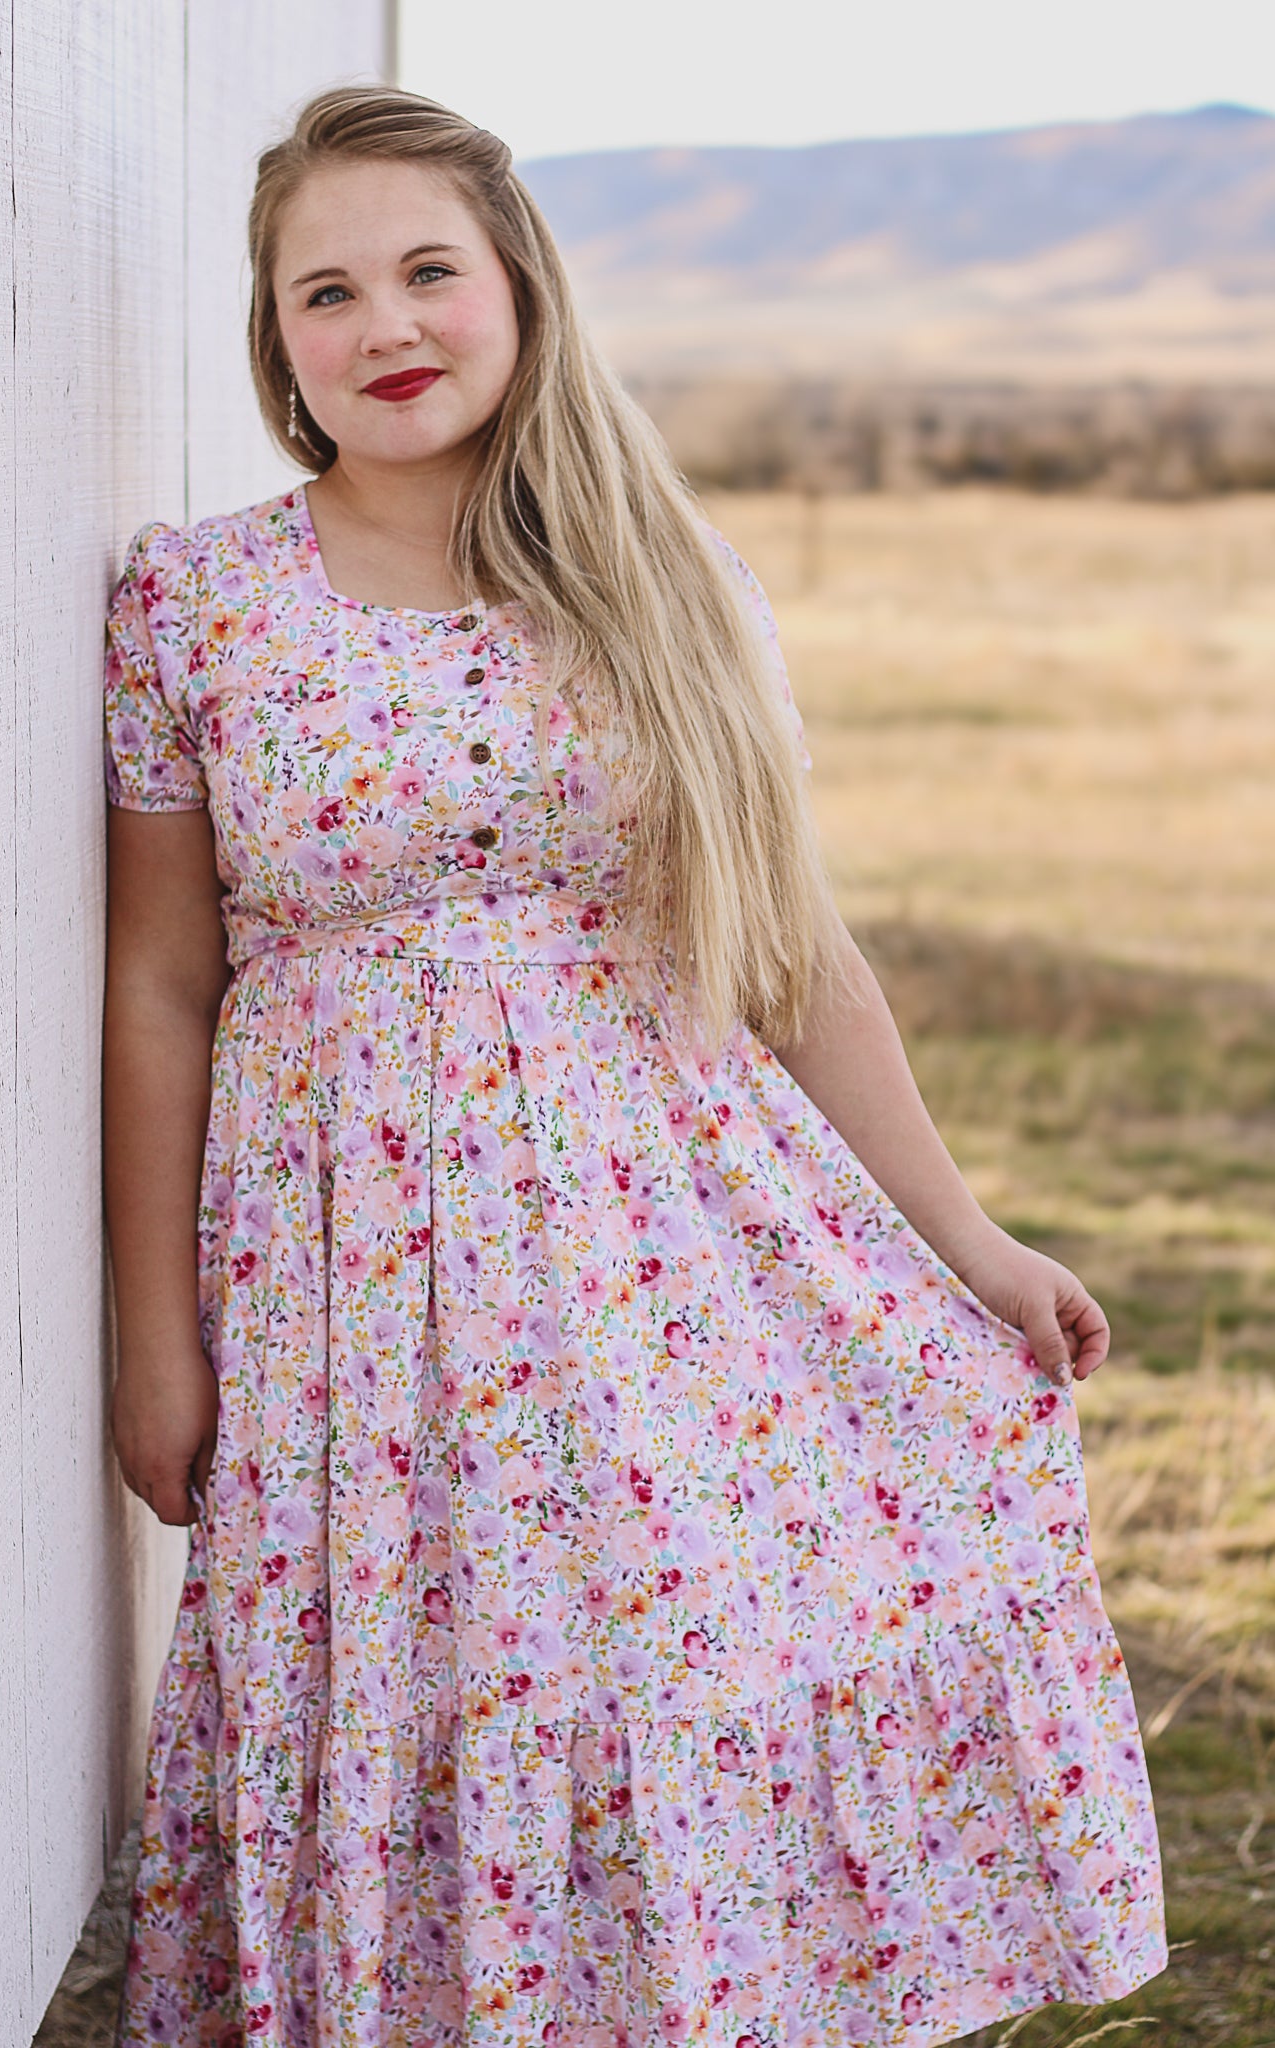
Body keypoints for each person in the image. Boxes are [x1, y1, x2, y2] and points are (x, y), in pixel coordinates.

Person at [103, 82, 1167, 2048]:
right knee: (434, 1670)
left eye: (428, 269)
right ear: (277, 343)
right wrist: (155, 1338)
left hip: (648, 1246)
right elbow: (163, 983)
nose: (383, 323)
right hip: (349, 1261)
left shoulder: (667, 588)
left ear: (519, 293)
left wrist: (967, 1240)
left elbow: (789, 951)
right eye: (323, 291)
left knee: (639, 1659)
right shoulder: (200, 602)